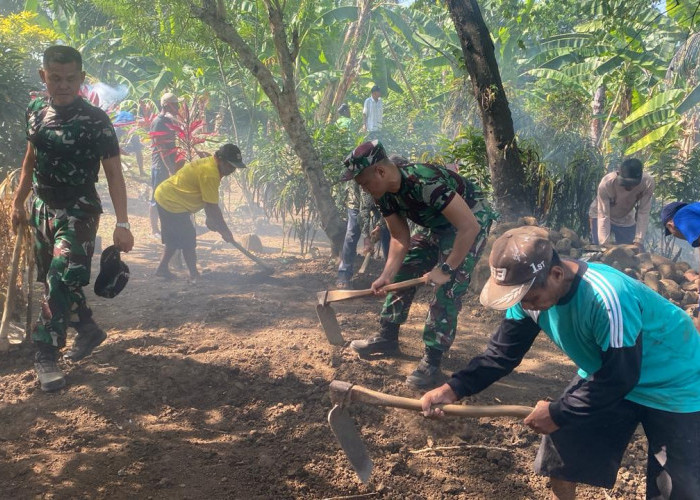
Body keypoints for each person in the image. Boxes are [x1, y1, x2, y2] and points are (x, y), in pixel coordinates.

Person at [421, 226, 700, 499]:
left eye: (530, 298)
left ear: (556, 274)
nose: (526, 305)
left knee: (677, 487)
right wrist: (453, 388)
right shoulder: (525, 299)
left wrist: (559, 412)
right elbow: (500, 354)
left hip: (675, 381)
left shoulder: (606, 297)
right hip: (606, 371)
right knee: (561, 458)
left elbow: (620, 376)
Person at [10, 45, 134, 392]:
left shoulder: (96, 121)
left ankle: (46, 352)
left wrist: (122, 224)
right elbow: (30, 158)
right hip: (42, 207)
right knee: (55, 280)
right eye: (55, 78)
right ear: (43, 77)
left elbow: (113, 174)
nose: (62, 85)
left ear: (81, 78)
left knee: (61, 275)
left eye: (70, 79)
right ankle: (89, 330)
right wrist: (19, 202)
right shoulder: (35, 110)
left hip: (79, 209)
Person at [342, 140, 496, 388]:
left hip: (469, 221)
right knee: (405, 269)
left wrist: (446, 268)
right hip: (438, 225)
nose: (364, 190)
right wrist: (386, 275)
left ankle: (432, 360)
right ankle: (387, 336)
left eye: (364, 183)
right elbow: (399, 237)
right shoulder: (384, 193)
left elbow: (469, 226)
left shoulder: (424, 182)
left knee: (448, 286)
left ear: (380, 172)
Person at [153, 144, 245, 282]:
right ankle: (194, 275)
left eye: (234, 167)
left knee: (175, 238)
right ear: (219, 159)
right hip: (171, 201)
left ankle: (162, 269)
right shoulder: (210, 173)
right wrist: (225, 231)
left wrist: (211, 219)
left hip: (168, 196)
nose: (232, 169)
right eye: (230, 165)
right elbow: (212, 207)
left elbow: (208, 202)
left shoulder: (212, 164)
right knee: (188, 240)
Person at [588, 158, 654, 247]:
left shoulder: (647, 183)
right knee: (600, 249)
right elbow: (603, 215)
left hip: (625, 217)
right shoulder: (607, 183)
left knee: (634, 252)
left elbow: (643, 212)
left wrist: (638, 240)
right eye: (626, 183)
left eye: (633, 184)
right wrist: (604, 244)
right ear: (618, 174)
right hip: (599, 215)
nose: (630, 187)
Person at [149, 92, 180, 236]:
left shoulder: (169, 121)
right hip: (161, 166)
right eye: (176, 104)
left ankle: (168, 227)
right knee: (156, 197)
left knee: (167, 197)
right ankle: (155, 230)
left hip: (170, 165)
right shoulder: (158, 122)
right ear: (167, 105)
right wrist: (170, 169)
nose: (178, 107)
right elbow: (161, 147)